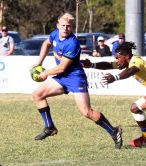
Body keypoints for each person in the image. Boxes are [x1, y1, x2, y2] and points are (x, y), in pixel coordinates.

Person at [31, 13, 122, 149]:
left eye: (69, 26)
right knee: (37, 95)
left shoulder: (72, 43)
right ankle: (49, 127)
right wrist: (38, 62)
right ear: (58, 25)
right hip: (62, 78)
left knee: (86, 112)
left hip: (75, 78)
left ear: (72, 27)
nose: (66, 28)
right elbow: (46, 43)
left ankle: (114, 131)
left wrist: (45, 73)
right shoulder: (55, 34)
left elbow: (62, 68)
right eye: (63, 26)